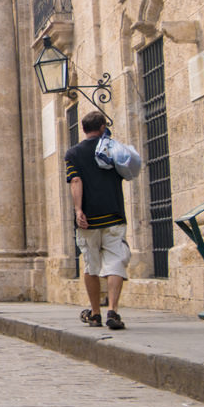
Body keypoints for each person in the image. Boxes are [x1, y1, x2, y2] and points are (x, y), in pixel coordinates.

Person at [66, 109, 130, 330]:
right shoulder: (112, 149)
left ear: (83, 129)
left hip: (88, 220)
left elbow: (75, 181)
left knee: (91, 266)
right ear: (103, 127)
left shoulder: (73, 154)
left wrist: (78, 211)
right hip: (113, 214)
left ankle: (95, 313)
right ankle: (113, 310)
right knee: (115, 263)